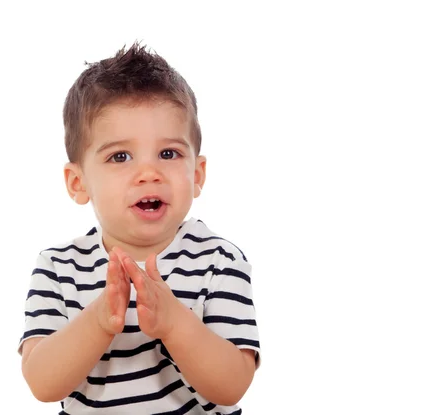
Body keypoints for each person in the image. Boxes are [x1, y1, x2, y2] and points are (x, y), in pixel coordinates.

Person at [18, 42, 261, 414]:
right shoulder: (58, 267)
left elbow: (233, 386)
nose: (149, 173)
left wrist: (174, 323)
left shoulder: (218, 259)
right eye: (120, 156)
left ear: (197, 175)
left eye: (168, 154)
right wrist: (100, 320)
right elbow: (42, 383)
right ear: (78, 183)